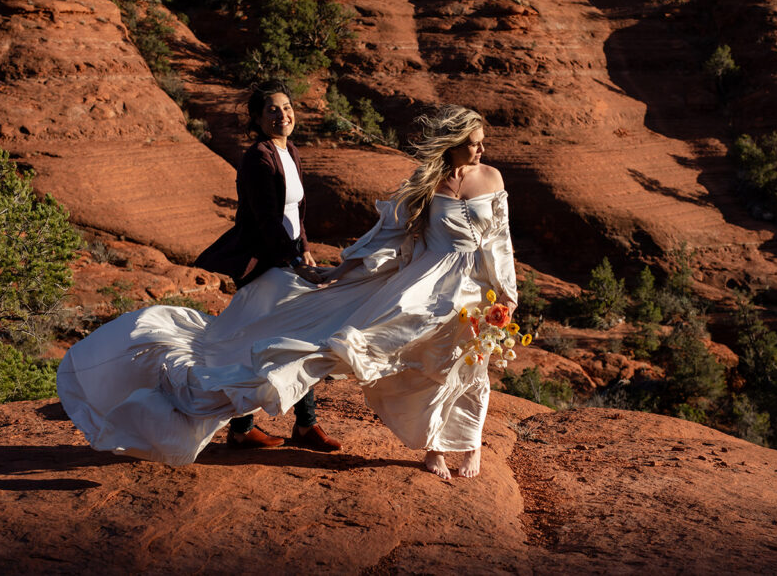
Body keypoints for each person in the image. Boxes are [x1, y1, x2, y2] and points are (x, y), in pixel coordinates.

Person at [56, 105, 517, 479]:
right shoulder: (427, 183)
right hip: (419, 286)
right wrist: (341, 273)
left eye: (481, 144)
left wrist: (506, 293)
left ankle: (469, 445)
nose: (480, 151)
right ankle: (437, 445)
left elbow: (500, 240)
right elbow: (388, 236)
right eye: (472, 144)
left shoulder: (491, 179)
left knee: (467, 365)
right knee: (415, 364)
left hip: (472, 289)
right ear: (452, 144)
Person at [193, 79, 340, 452]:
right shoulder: (258, 157)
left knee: (293, 339)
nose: (282, 115)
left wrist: (304, 250)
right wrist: (293, 261)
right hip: (265, 263)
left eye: (287, 107)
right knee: (264, 342)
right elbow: (266, 219)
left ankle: (299, 425)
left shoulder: (289, 150)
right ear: (257, 118)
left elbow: (296, 214)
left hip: (287, 258)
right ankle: (249, 428)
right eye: (272, 110)